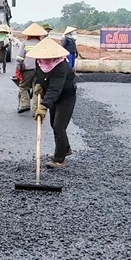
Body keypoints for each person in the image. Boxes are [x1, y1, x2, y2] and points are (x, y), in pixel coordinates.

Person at [29, 38, 77, 168]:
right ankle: (65, 149)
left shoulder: (61, 67)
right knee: (53, 124)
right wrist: (38, 84)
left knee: (58, 126)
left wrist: (43, 106)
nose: (44, 59)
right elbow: (38, 76)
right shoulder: (39, 63)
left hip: (66, 97)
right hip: (51, 96)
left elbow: (55, 88)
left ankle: (59, 159)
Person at [15, 23, 48, 113]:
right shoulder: (42, 43)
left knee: (23, 86)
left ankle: (25, 104)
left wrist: (18, 69)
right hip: (41, 70)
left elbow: (20, 58)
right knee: (36, 89)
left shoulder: (25, 43)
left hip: (28, 70)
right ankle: (35, 110)